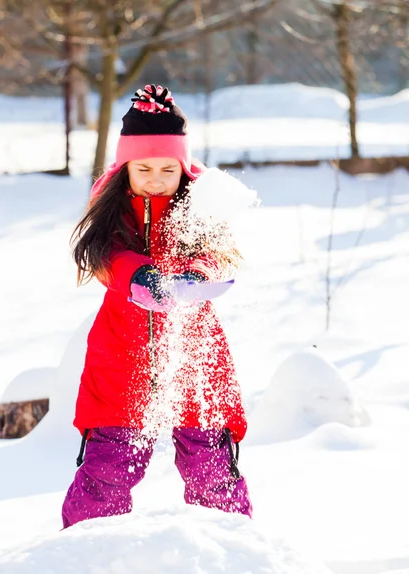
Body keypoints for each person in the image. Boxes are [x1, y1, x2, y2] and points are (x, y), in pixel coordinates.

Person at [62, 84, 252, 529]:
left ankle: (229, 549)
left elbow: (217, 253)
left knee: (211, 468)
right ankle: (87, 551)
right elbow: (104, 258)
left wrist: (196, 276)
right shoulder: (111, 215)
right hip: (120, 362)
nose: (155, 178)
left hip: (193, 360)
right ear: (124, 166)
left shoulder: (198, 209)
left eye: (168, 169)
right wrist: (141, 274)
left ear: (183, 169)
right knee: (108, 470)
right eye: (143, 168)